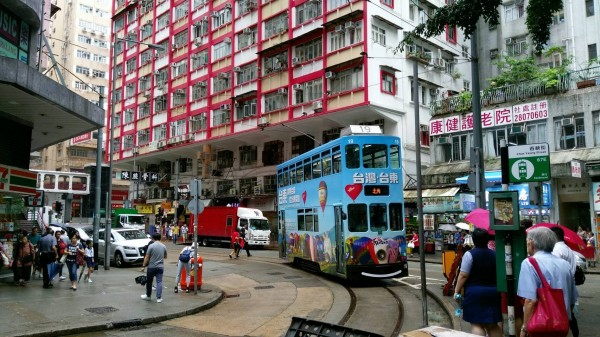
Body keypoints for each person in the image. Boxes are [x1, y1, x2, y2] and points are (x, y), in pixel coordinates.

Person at [517, 227, 577, 337]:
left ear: (531, 242)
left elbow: (530, 301)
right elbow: (572, 299)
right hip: (561, 325)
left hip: (540, 325)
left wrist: (524, 328)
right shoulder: (565, 264)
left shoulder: (529, 263)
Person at [453, 228, 502, 337]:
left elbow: (463, 275)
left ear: (473, 240)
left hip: (475, 292)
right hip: (493, 291)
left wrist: (456, 291)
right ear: (487, 240)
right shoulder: (495, 255)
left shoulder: (469, 254)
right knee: (492, 324)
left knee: (477, 324)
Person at [140, 233, 167, 303]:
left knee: (149, 282)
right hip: (160, 267)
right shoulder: (164, 246)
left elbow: (147, 257)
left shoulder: (151, 246)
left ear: (153, 238)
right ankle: (159, 298)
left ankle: (148, 296)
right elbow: (165, 257)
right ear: (160, 238)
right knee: (159, 282)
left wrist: (143, 266)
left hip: (151, 267)